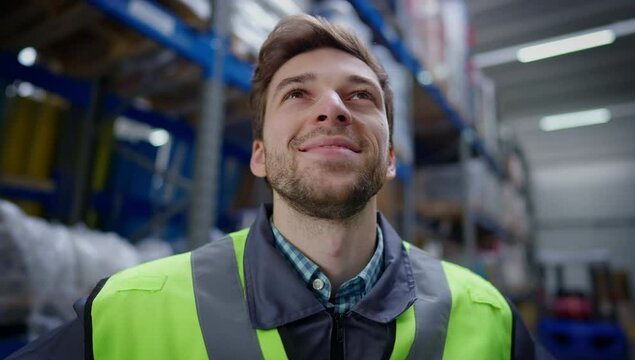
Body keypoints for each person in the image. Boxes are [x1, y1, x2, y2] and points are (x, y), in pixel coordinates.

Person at [9, 14, 551, 360]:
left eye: (359, 96)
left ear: (389, 158)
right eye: (297, 95)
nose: (333, 109)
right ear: (260, 157)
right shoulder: (125, 314)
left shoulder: (488, 319)